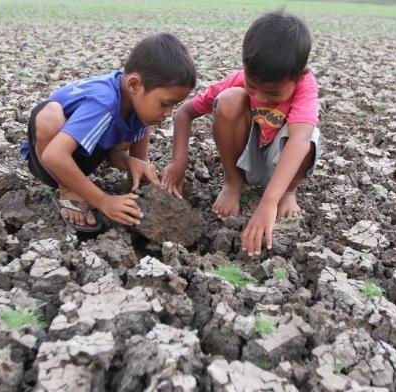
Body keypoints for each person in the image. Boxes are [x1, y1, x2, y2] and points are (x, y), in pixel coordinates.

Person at [161, 11, 321, 256]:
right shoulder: (238, 80)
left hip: (283, 164)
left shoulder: (305, 86)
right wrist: (179, 161)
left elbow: (299, 141)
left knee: (307, 136)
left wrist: (268, 202)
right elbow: (184, 113)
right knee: (229, 100)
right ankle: (233, 183)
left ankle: (287, 192)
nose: (261, 98)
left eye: (274, 94)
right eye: (252, 86)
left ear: (300, 76)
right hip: (247, 159)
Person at [20, 33, 196, 232]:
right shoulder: (104, 102)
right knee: (49, 115)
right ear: (134, 85)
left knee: (139, 128)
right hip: (46, 159)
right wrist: (104, 200)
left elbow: (116, 155)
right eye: (165, 104)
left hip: (83, 156)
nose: (168, 114)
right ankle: (68, 189)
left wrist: (133, 164)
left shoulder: (138, 110)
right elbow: (53, 155)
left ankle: (76, 183)